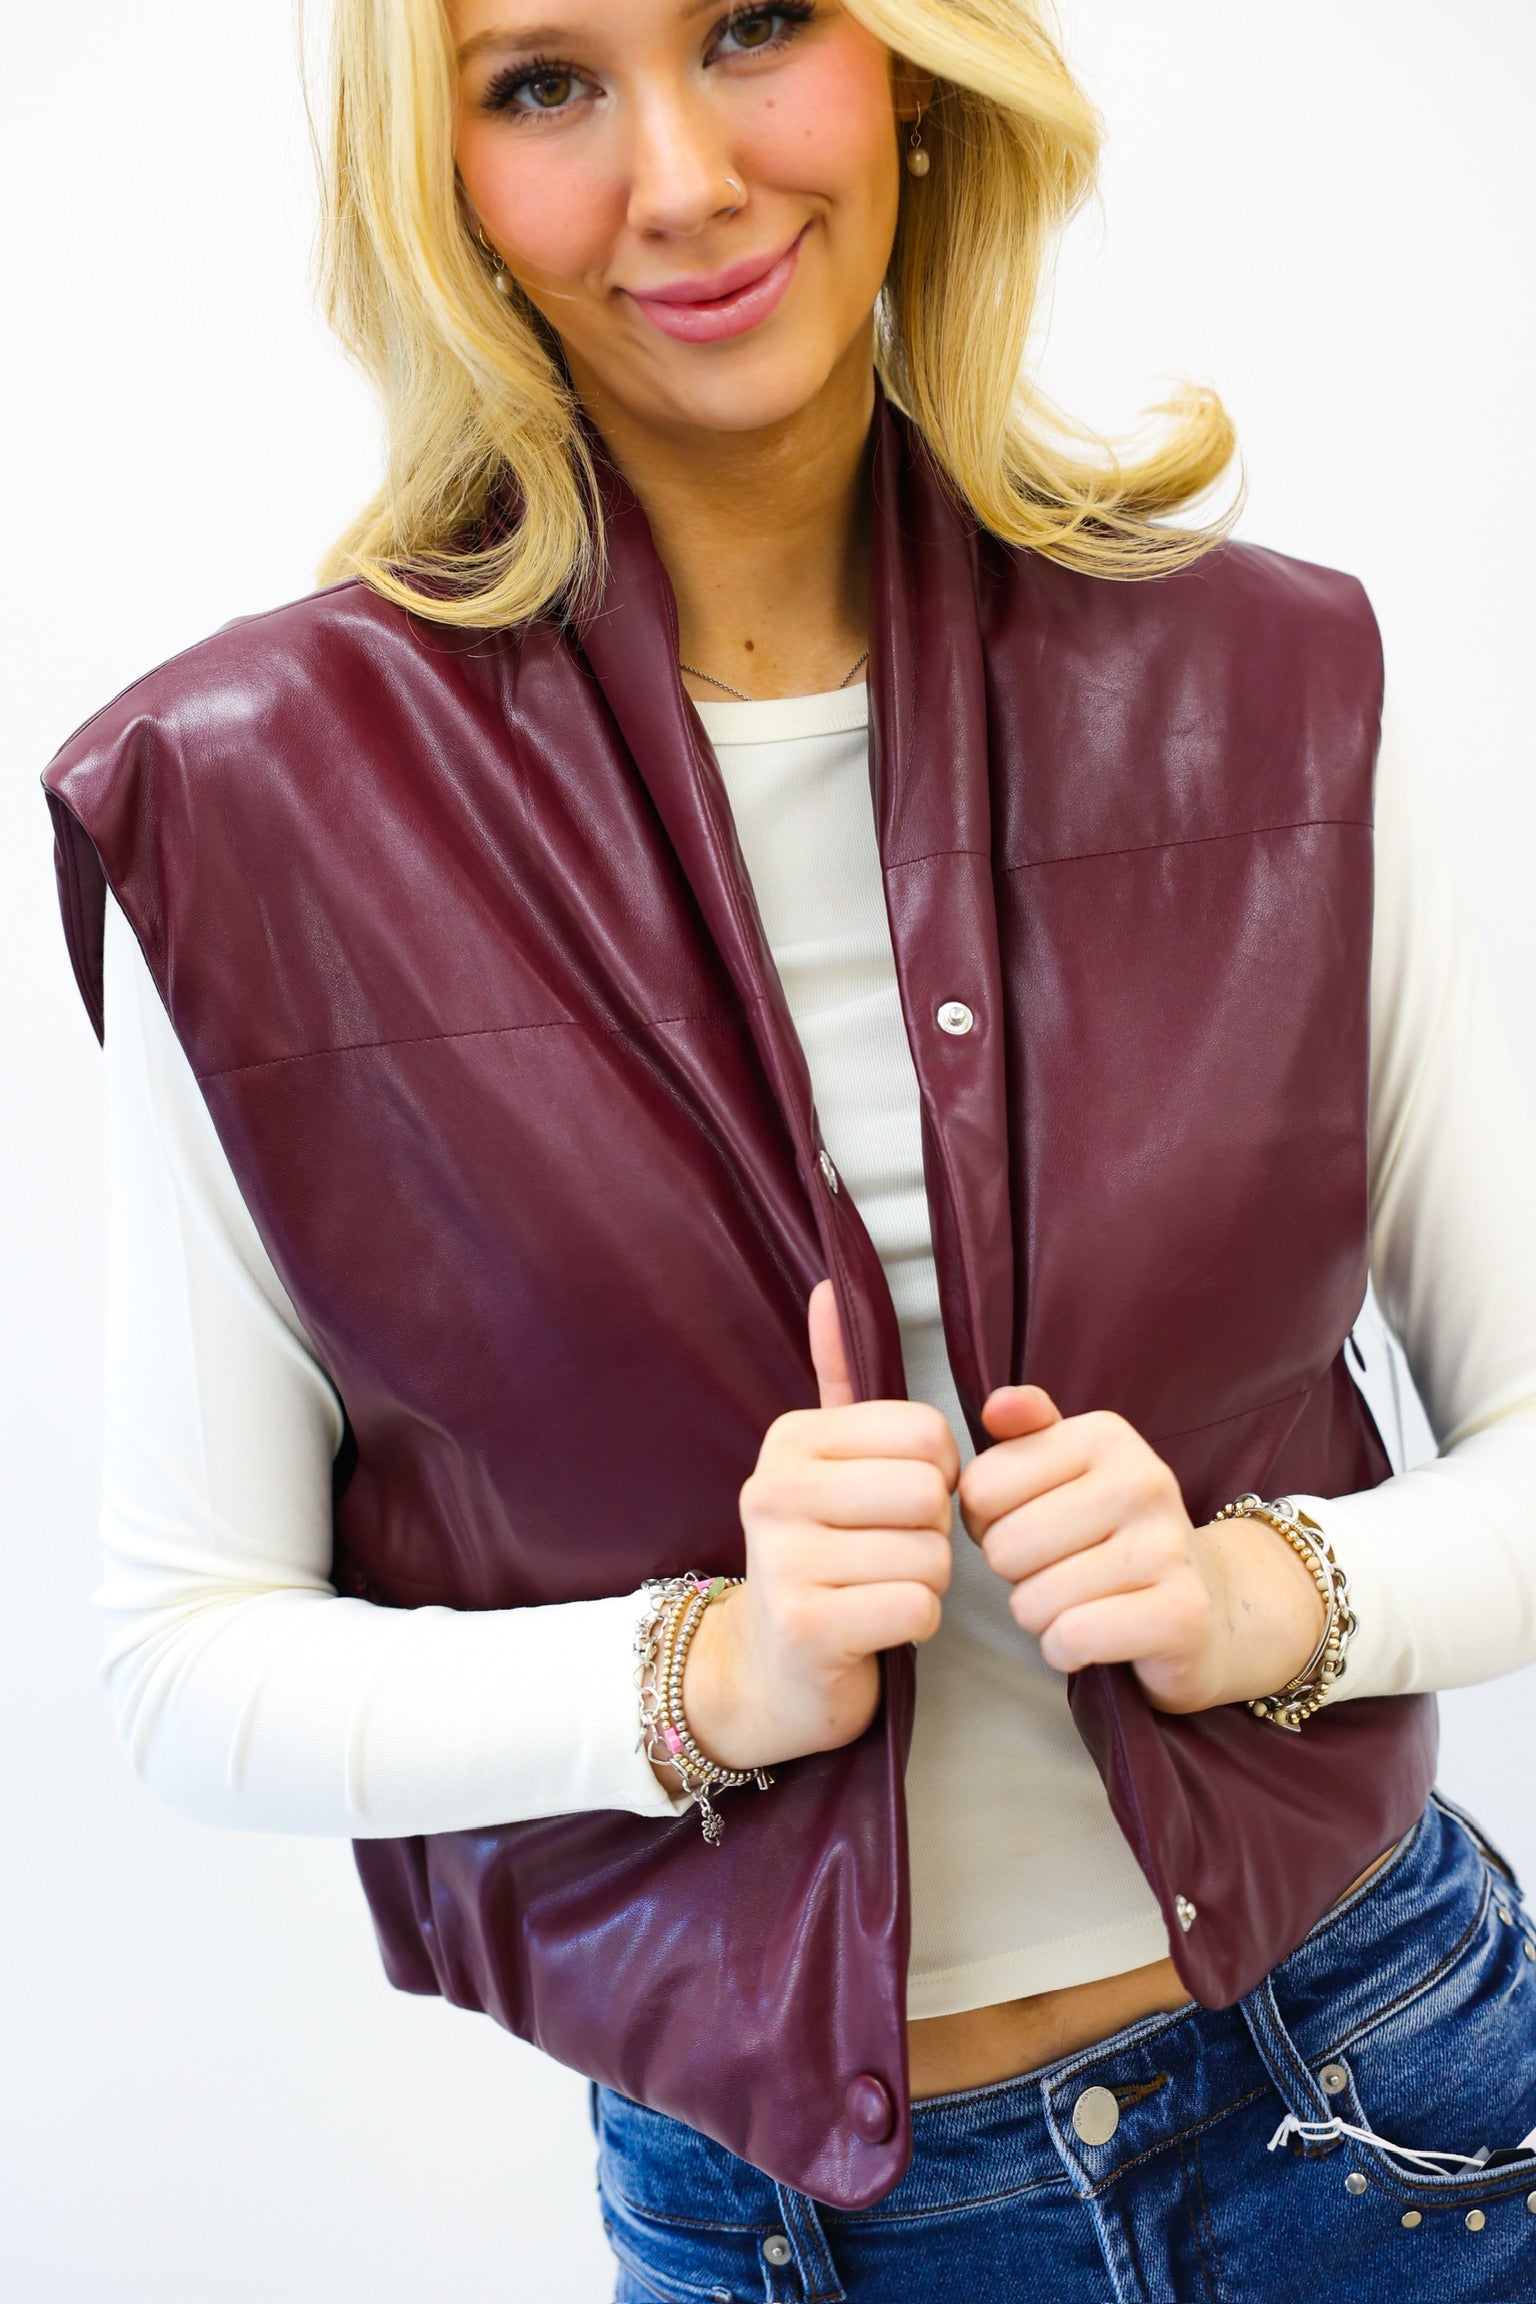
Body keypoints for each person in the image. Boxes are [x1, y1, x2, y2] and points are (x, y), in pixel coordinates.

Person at [39, 2, 1536, 2296]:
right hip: (788, 2234)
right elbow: (187, 1659)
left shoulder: (1271, 683)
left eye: (752, 27)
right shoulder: (253, 813)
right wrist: (694, 1675)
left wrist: (1276, 1597)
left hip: (1391, 2112)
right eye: (544, 81)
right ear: (434, 177)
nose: (685, 177)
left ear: (916, 75)